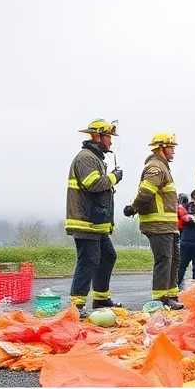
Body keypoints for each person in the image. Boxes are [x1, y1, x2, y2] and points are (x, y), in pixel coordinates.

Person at [66, 119, 125, 315]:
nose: (110, 142)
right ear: (97, 136)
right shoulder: (86, 158)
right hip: (85, 221)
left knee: (108, 256)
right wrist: (114, 177)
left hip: (95, 223)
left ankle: (100, 300)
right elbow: (93, 184)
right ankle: (77, 305)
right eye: (108, 137)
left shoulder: (95, 158)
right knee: (88, 261)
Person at [124, 133, 184, 309]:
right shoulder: (156, 167)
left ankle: (171, 295)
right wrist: (133, 208)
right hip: (157, 224)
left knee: (173, 259)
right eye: (171, 148)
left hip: (167, 225)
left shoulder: (163, 167)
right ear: (161, 148)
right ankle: (160, 299)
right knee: (164, 259)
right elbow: (146, 192)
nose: (173, 151)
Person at [177, 191, 195, 288]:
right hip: (186, 241)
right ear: (192, 198)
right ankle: (176, 288)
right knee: (181, 266)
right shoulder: (186, 206)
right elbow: (179, 209)